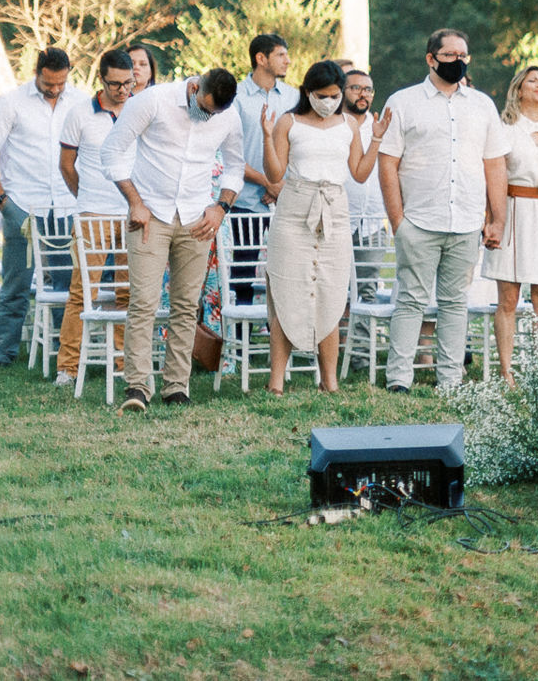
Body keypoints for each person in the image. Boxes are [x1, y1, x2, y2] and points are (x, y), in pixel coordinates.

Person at [378, 29, 511, 392]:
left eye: (463, 55)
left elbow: (495, 164)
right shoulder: (403, 102)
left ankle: (450, 380)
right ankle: (399, 379)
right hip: (419, 220)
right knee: (411, 300)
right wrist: (398, 222)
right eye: (450, 55)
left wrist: (497, 219)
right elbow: (388, 164)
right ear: (430, 58)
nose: (458, 61)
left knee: (455, 303)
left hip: (466, 220)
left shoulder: (481, 104)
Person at [103, 67, 244, 411]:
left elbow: (235, 167)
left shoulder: (227, 115)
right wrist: (134, 202)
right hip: (150, 215)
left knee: (185, 306)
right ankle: (137, 388)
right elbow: (111, 152)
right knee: (144, 302)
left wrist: (220, 208)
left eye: (216, 113)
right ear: (195, 87)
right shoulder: (153, 100)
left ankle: (176, 387)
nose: (208, 116)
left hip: (197, 217)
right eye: (205, 107)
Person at [260, 61, 390, 393]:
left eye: (334, 96)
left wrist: (375, 140)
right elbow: (275, 175)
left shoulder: (347, 123)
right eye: (322, 96)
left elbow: (359, 173)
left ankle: (329, 379)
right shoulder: (289, 121)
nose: (328, 101)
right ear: (308, 92)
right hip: (295, 208)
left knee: (331, 293)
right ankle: (276, 381)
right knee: (288, 293)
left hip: (334, 207)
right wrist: (266, 136)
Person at [0, 47, 88, 366]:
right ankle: (3, 352)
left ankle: (60, 351)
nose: (54, 89)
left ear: (68, 73)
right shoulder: (10, 104)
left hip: (68, 205)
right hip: (23, 206)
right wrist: (3, 202)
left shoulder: (81, 102)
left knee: (67, 284)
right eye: (48, 84)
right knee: (16, 283)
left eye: (60, 83)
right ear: (37, 73)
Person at [54, 49, 136, 388]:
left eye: (128, 83)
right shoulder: (80, 113)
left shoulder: (139, 109)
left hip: (133, 213)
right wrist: (85, 199)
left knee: (129, 293)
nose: (122, 90)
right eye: (115, 84)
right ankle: (68, 367)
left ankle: (122, 361)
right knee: (82, 290)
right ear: (102, 80)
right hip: (93, 214)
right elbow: (66, 165)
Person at [487, 65, 538, 381]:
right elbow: (492, 175)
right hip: (511, 210)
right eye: (533, 80)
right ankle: (507, 371)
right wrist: (491, 219)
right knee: (508, 297)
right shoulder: (504, 129)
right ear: (519, 89)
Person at [229, 33, 294, 304]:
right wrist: (267, 183)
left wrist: (280, 185)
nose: (288, 61)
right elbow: (228, 153)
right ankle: (242, 338)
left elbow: (298, 144)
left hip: (286, 199)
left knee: (287, 270)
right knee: (243, 270)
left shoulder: (293, 97)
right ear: (261, 58)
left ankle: (279, 332)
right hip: (245, 200)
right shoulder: (236, 98)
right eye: (281, 55)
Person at [341, 70, 387, 231]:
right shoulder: (332, 125)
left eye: (368, 90)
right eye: (356, 88)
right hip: (337, 220)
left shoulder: (381, 127)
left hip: (373, 223)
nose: (363, 94)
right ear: (342, 90)